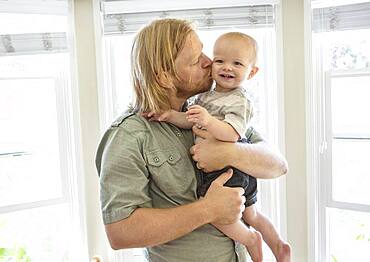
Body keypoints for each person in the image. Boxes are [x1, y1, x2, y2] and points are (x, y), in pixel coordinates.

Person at [95, 18, 288, 262]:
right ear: (164, 77)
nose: (210, 62)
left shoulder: (209, 110)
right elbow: (120, 233)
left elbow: (278, 165)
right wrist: (208, 209)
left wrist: (228, 153)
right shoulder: (127, 136)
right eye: (197, 60)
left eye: (204, 52)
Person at [145, 32, 291, 262]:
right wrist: (170, 115)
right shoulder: (205, 98)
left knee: (216, 213)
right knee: (251, 214)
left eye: (237, 63)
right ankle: (279, 246)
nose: (227, 68)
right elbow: (190, 120)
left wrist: (209, 121)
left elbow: (233, 134)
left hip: (226, 172)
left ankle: (250, 239)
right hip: (234, 170)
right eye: (220, 61)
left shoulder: (240, 100)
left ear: (251, 72)